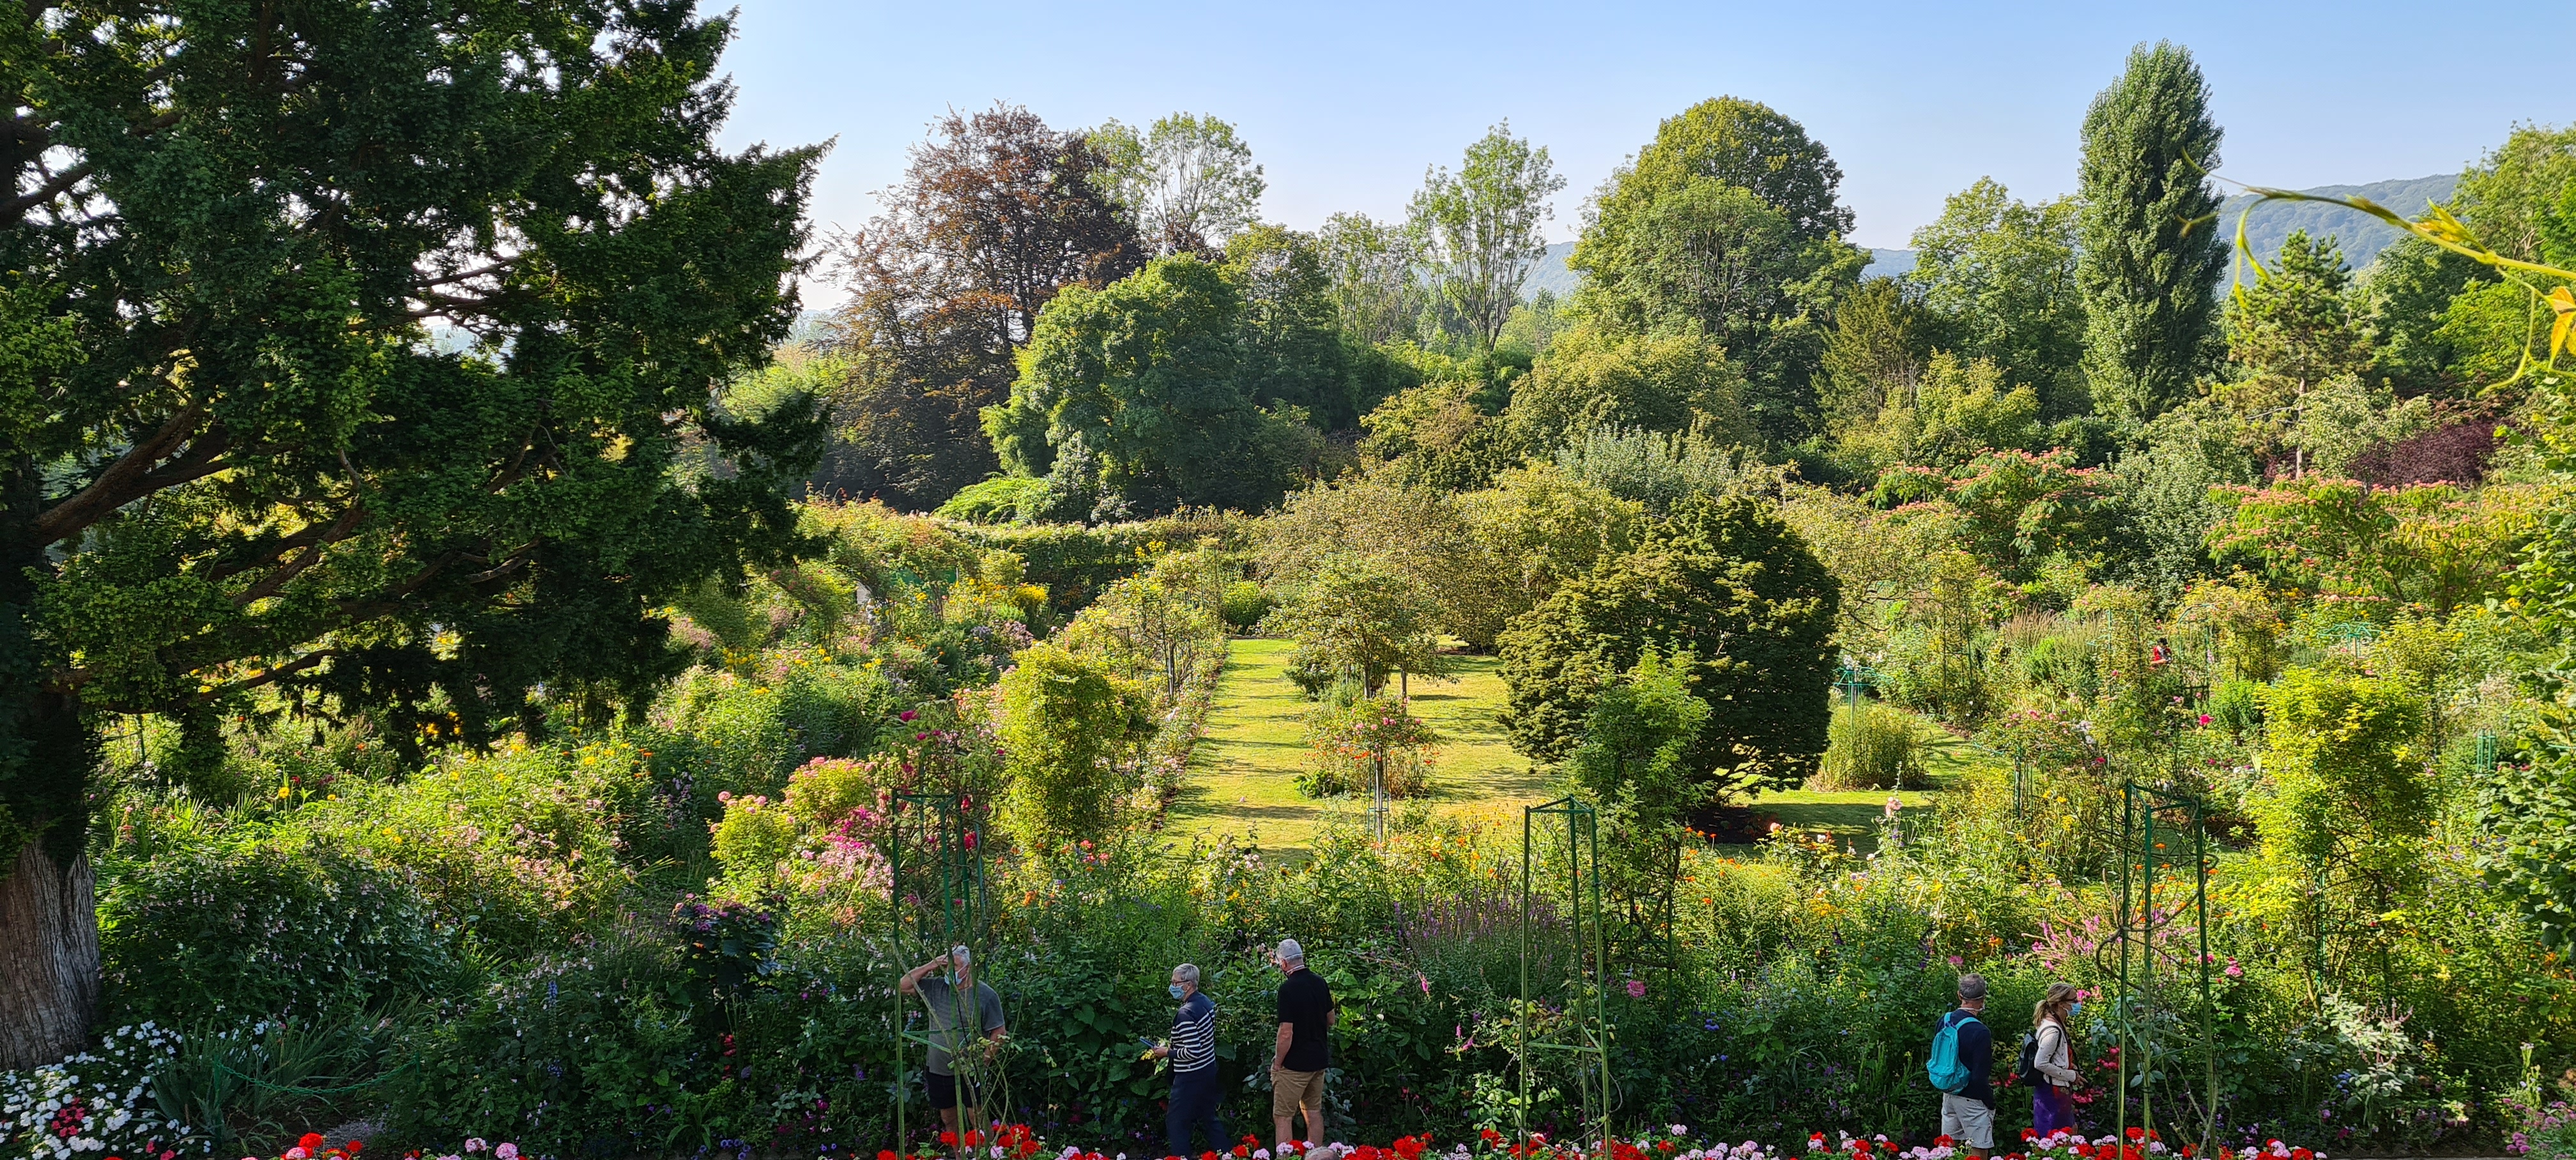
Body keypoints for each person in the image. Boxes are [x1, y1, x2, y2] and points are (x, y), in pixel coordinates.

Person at [898, 947, 1006, 1135]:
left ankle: (988, 1154)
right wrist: (932, 965)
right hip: (938, 1067)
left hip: (969, 1069)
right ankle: (958, 1155)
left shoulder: (985, 995)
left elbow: (999, 1032)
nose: (949, 971)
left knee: (977, 1117)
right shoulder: (937, 987)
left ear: (969, 967)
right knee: (948, 1118)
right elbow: (903, 985)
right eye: (946, 966)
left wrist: (983, 1061)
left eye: (954, 966)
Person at [1150, 963, 1226, 1158]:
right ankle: (1228, 1155)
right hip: (1208, 1069)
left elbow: (1192, 1051)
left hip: (1190, 1075)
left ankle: (1181, 1157)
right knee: (1210, 1118)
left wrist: (1166, 1052)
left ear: (1188, 985)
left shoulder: (1185, 1014)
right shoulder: (1205, 1003)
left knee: (1176, 1123)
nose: (1172, 986)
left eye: (1176, 982)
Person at [1269, 938, 1334, 1150]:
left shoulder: (1288, 989)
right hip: (1319, 1060)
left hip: (1295, 1065)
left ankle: (1286, 1157)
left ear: (1284, 963)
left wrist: (1278, 1063)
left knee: (1283, 1116)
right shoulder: (1320, 982)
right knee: (1313, 1112)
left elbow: (1286, 1033)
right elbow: (1331, 1020)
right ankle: (1316, 1156)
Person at [1936, 973, 1996, 1158]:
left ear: (1959, 995)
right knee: (1978, 1147)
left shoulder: (1945, 1020)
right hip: (1972, 1097)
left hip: (1949, 1091)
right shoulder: (1980, 1031)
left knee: (1949, 1148)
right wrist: (1990, 1102)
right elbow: (1980, 1076)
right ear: (1983, 998)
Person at [2030, 983, 2082, 1140]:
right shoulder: (2053, 1030)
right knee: (2056, 1139)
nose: (2078, 1004)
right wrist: (2070, 1075)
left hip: (2056, 1092)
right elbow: (2040, 1063)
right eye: (2074, 1000)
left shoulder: (2055, 1024)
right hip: (2052, 1094)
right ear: (2061, 1004)